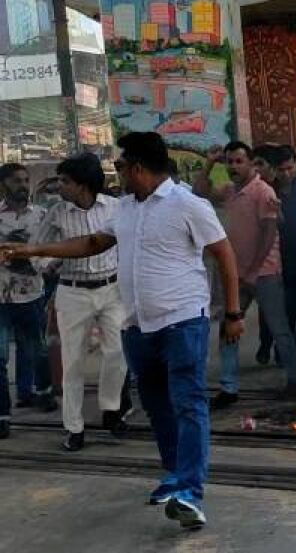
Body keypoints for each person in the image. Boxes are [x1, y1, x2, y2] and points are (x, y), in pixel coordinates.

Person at [2, 132, 242, 529]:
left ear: (139, 168)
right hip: (138, 325)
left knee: (188, 403)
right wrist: (33, 250)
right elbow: (94, 242)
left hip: (182, 321)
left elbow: (224, 253)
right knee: (158, 407)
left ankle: (190, 492)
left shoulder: (187, 204)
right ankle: (173, 475)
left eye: (121, 167)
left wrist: (232, 314)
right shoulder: (127, 208)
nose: (118, 174)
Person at [195, 142, 296, 407]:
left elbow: (269, 234)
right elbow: (199, 191)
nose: (233, 166)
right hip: (237, 275)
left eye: (238, 161)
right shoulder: (230, 191)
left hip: (265, 273)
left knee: (280, 329)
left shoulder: (263, 191)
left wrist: (253, 271)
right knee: (228, 330)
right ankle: (229, 387)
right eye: (229, 162)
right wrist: (210, 161)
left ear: (250, 163)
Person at [32, 154, 129, 450]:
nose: (59, 186)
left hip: (112, 289)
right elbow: (37, 248)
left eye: (65, 181)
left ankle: (111, 409)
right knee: (73, 362)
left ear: (83, 185)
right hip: (72, 292)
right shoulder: (57, 213)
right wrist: (46, 263)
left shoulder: (115, 208)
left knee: (118, 353)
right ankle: (74, 428)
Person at [255, 145, 296, 378]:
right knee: (284, 320)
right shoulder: (267, 191)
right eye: (281, 169)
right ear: (273, 169)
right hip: (277, 266)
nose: (285, 173)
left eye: (289, 168)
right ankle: (292, 364)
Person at [0, 163, 56, 441]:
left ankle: (40, 392)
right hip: (0, 296)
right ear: (3, 185)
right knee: (0, 356)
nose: (23, 185)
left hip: (32, 293)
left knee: (36, 348)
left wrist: (45, 264)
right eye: (16, 181)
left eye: (25, 180)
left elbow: (53, 248)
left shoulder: (42, 216)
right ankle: (2, 415)